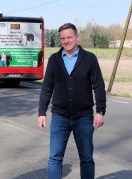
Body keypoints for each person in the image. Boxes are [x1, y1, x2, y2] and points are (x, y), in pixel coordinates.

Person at [37, 23, 106, 179]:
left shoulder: (89, 59)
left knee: (86, 158)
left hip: (83, 118)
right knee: (54, 158)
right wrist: (42, 112)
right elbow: (47, 87)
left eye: (69, 37)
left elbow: (99, 87)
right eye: (63, 38)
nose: (66, 41)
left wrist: (100, 111)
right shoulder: (55, 60)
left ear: (77, 37)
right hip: (60, 117)